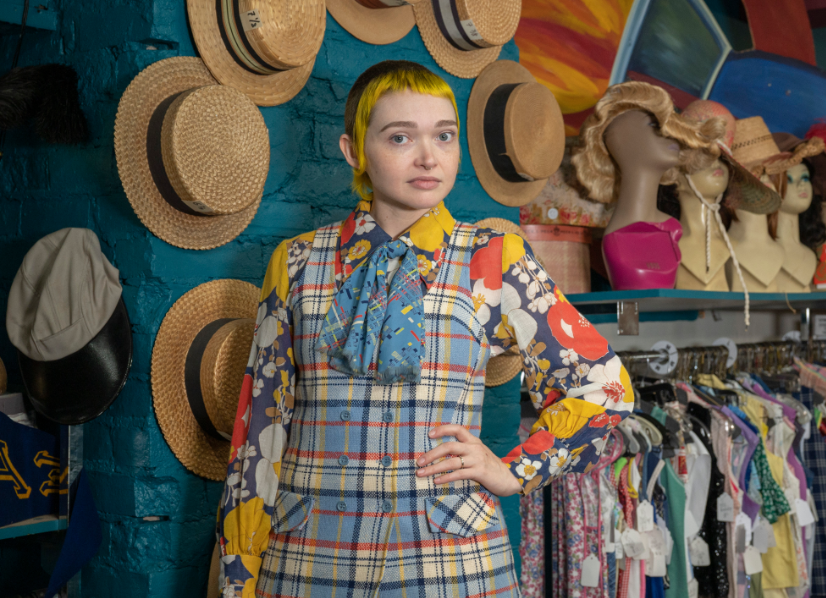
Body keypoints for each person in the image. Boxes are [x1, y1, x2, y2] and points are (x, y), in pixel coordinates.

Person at [215, 60, 635, 598]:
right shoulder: (295, 262)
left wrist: (513, 471)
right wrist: (238, 577)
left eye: (444, 135)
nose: (428, 157)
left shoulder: (494, 257)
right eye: (399, 137)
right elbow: (260, 435)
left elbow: (605, 386)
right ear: (353, 151)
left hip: (452, 559)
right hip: (310, 557)